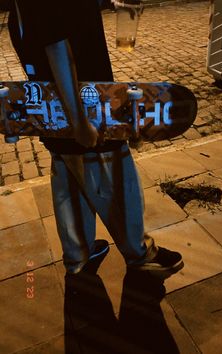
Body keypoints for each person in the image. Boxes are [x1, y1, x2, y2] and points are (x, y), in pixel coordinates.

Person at [4, 0, 183, 275]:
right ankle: (141, 254)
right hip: (88, 104)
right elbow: (56, 45)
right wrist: (79, 121)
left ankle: (79, 255)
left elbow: (49, 24)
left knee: (68, 180)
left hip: (54, 102)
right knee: (116, 179)